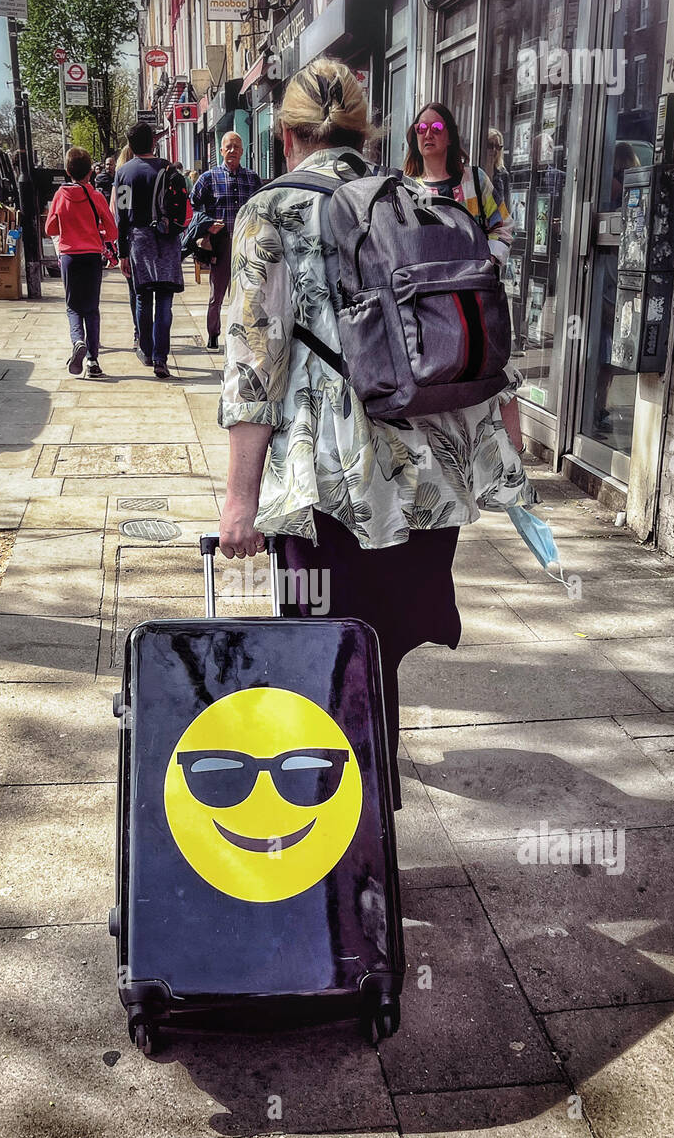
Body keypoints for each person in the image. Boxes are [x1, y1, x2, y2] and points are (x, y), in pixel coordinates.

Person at [216, 59, 535, 809]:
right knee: (374, 654)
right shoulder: (419, 200)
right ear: (367, 130)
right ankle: (369, 812)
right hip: (427, 479)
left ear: (287, 136)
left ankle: (343, 847)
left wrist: (238, 501)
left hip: (329, 489)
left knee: (316, 658)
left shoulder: (271, 211)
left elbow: (252, 369)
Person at [114, 121, 185, 380]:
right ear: (154, 141)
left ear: (130, 145)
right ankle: (161, 358)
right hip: (167, 239)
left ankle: (145, 350)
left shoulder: (124, 173)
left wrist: (122, 252)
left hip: (139, 240)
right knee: (165, 299)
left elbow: (121, 216)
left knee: (143, 298)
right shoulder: (168, 168)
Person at [404, 102, 514, 264]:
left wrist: (487, 260)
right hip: (425, 285)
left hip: (471, 284)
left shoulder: (476, 181)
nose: (427, 134)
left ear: (449, 137)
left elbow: (503, 226)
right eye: (421, 128)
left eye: (436, 127)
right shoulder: (407, 189)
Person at [45, 145, 117, 379]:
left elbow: (50, 228)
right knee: (91, 309)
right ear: (90, 172)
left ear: (68, 170)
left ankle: (77, 341)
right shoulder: (95, 196)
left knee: (73, 306)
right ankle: (93, 361)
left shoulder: (59, 195)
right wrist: (98, 234)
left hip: (69, 257)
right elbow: (113, 231)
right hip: (92, 257)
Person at [190, 131, 262, 349]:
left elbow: (262, 207)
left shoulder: (252, 179)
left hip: (246, 244)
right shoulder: (208, 178)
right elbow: (191, 206)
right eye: (228, 147)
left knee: (246, 294)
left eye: (236, 147)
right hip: (220, 244)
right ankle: (213, 335)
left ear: (243, 151)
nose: (232, 151)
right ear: (221, 151)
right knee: (217, 294)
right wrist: (206, 224)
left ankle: (243, 336)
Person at [110, 144, 138, 348]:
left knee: (134, 291)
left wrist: (121, 252)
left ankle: (139, 331)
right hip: (153, 243)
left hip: (130, 240)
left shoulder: (122, 180)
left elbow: (118, 215)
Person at [484, 127, 511, 212]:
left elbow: (505, 205)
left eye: (498, 147)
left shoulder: (503, 174)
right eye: (490, 146)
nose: (494, 150)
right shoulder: (474, 171)